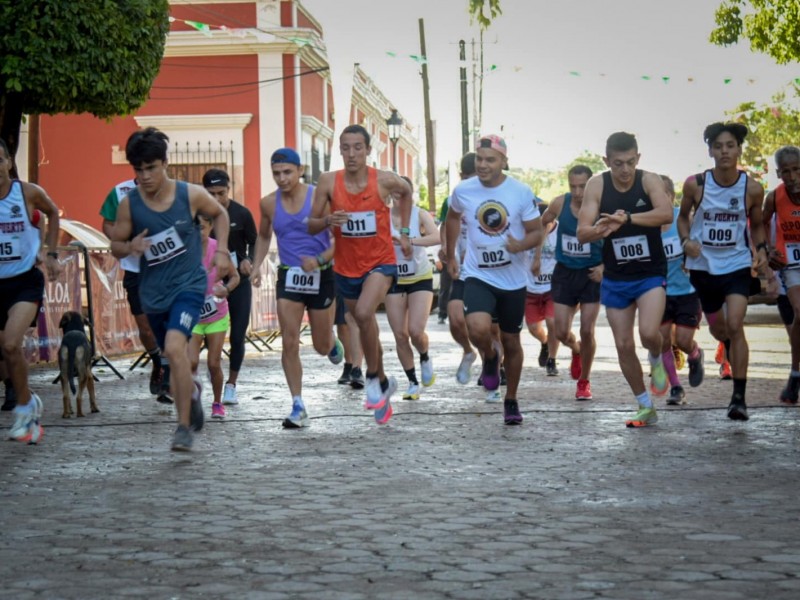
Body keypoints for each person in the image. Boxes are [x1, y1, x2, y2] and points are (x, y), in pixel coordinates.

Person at [110, 127, 233, 451]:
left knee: (176, 350)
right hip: (154, 294)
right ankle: (190, 391)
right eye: (139, 170)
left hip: (189, 286)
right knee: (171, 354)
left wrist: (221, 250)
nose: (145, 176)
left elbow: (220, 215)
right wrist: (130, 246)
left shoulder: (188, 194)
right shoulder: (130, 205)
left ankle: (182, 428)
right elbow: (116, 245)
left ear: (165, 163)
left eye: (151, 168)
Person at [308, 124, 413, 425]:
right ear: (339, 150)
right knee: (366, 327)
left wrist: (404, 232)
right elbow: (311, 225)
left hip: (380, 262)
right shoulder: (328, 182)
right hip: (346, 267)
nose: (351, 153)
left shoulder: (383, 179)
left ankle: (369, 376)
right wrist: (328, 219)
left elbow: (406, 192)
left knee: (365, 314)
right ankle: (382, 383)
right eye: (346, 147)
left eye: (358, 147)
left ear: (368, 150)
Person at [577, 131, 673, 428]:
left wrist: (627, 219)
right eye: (618, 163)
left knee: (647, 333)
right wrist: (602, 229)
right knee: (622, 344)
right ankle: (645, 405)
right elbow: (583, 233)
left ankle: (657, 357)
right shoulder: (597, 185)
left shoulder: (649, 180)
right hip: (616, 277)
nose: (625, 170)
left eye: (630, 162)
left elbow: (666, 214)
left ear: (638, 158)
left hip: (649, 274)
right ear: (607, 161)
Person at [445, 134, 543, 425]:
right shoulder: (464, 190)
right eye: (480, 159)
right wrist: (451, 254)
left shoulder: (521, 192)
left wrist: (521, 246)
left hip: (513, 279)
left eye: (491, 160)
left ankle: (510, 400)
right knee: (476, 327)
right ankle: (488, 355)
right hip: (478, 273)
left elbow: (537, 232)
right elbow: (452, 217)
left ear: (504, 161)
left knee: (512, 341)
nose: (484, 165)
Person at [678, 122, 767, 421]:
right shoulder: (696, 184)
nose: (725, 151)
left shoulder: (753, 188)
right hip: (703, 267)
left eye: (730, 145)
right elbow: (682, 218)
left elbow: (756, 225)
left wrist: (762, 252)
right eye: (719, 146)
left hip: (737, 264)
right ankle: (723, 347)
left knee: (736, 323)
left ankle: (738, 398)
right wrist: (686, 241)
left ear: (739, 149)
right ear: (710, 151)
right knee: (720, 329)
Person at [252, 147, 343, 428]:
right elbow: (264, 236)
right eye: (276, 173)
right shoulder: (268, 204)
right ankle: (297, 404)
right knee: (289, 340)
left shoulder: (319, 197)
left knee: (320, 345)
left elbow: (338, 239)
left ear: (300, 170)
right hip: (289, 276)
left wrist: (318, 260)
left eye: (287, 172)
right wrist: (256, 266)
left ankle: (331, 341)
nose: (282, 178)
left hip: (321, 274)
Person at [1, 138, 62, 443]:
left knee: (12, 344)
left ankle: (25, 412)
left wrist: (48, 251)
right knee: (5, 355)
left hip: (24, 281)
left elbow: (53, 213)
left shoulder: (26, 193)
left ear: (9, 163)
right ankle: (30, 399)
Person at [540, 165, 602, 399]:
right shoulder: (559, 203)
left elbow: (615, 236)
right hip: (565, 273)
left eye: (582, 187)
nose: (577, 192)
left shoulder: (601, 204)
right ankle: (576, 351)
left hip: (590, 273)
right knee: (562, 332)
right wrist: (537, 251)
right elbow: (542, 222)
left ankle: (584, 381)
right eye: (573, 186)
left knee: (587, 329)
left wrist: (604, 267)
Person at [100, 177, 165, 399]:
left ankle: (170, 368)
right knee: (145, 327)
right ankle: (158, 362)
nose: (146, 171)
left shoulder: (174, 189)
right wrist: (125, 242)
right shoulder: (120, 191)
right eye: (140, 164)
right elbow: (107, 223)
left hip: (165, 267)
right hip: (135, 269)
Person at [201, 169, 257, 406]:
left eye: (221, 193)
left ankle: (231, 384)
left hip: (237, 282)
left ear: (229, 189)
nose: (217, 199)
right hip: (208, 286)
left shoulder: (242, 213)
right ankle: (214, 372)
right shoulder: (199, 216)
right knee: (203, 333)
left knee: (237, 335)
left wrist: (249, 260)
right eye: (211, 194)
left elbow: (255, 241)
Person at [384, 176, 440, 400]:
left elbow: (437, 237)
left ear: (410, 194)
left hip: (419, 277)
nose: (398, 196)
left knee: (416, 331)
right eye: (394, 191)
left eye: (403, 192)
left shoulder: (419, 214)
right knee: (400, 334)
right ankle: (412, 383)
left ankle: (425, 356)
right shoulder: (382, 217)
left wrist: (411, 241)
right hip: (393, 278)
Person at [657, 175, 705, 405]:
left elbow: (701, 245)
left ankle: (695, 355)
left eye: (662, 195)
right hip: (660, 293)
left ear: (671, 196)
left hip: (687, 291)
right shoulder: (648, 227)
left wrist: (693, 257)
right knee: (663, 340)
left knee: (684, 341)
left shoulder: (684, 219)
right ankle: (676, 387)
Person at [188, 214, 240, 420]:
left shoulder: (219, 249)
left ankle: (217, 403)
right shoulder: (185, 251)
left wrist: (226, 289)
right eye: (194, 227)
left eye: (202, 227)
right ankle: (194, 397)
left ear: (210, 227)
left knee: (213, 363)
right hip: (192, 315)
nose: (198, 232)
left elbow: (235, 277)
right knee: (191, 362)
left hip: (216, 315)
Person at [761, 145, 800, 404]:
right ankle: (796, 372)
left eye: (797, 169)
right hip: (792, 264)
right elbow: (762, 222)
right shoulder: (774, 197)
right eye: (786, 171)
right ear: (778, 173)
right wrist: (767, 248)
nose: (792, 176)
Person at [439, 152, 480, 387]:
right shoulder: (454, 199)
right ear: (463, 177)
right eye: (470, 178)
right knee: (456, 319)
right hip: (463, 269)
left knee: (487, 327)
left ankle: (495, 365)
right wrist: (446, 247)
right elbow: (446, 225)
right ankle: (467, 351)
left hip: (489, 270)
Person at [527, 202, 562, 380]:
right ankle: (545, 342)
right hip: (531, 288)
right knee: (533, 328)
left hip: (552, 287)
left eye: (545, 223)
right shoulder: (526, 233)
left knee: (552, 321)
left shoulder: (561, 232)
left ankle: (552, 360)